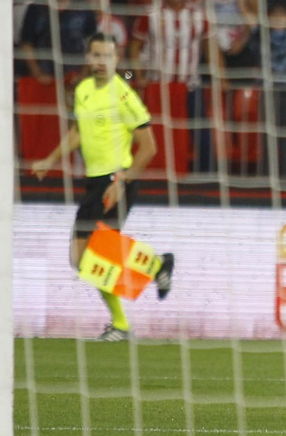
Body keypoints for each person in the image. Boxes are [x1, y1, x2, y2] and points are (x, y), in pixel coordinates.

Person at [27, 34, 175, 340]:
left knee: (96, 254)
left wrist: (123, 180)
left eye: (106, 56)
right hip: (94, 183)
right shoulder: (82, 90)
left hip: (116, 181)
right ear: (88, 57)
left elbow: (149, 147)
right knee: (81, 259)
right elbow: (78, 132)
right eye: (95, 55)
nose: (99, 62)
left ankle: (121, 324)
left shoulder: (123, 95)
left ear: (116, 59)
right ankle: (157, 265)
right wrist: (50, 158)